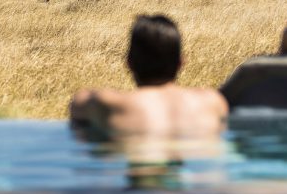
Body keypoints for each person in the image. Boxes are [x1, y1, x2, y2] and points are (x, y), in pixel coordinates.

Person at [70, 15, 229, 136]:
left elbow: (79, 101)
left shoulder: (108, 104)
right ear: (181, 63)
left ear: (129, 63)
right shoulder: (212, 102)